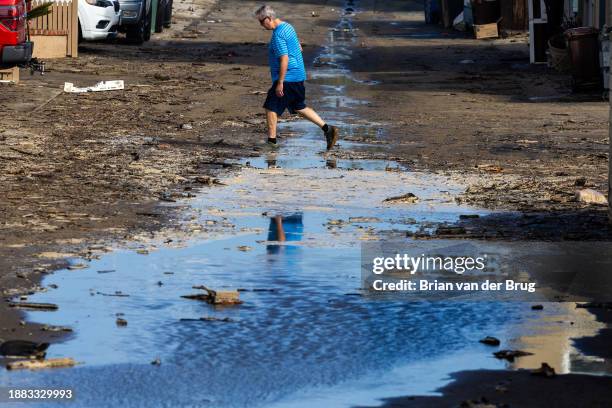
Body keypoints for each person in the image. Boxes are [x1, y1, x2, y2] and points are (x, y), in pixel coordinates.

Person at [255, 4, 339, 150]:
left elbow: (284, 59)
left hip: (288, 78)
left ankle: (271, 142)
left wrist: (280, 82)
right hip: (298, 76)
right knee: (299, 106)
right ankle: (328, 129)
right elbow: (298, 47)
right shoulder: (287, 27)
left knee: (270, 107)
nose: (261, 25)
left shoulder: (278, 35)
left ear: (268, 18)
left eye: (261, 22)